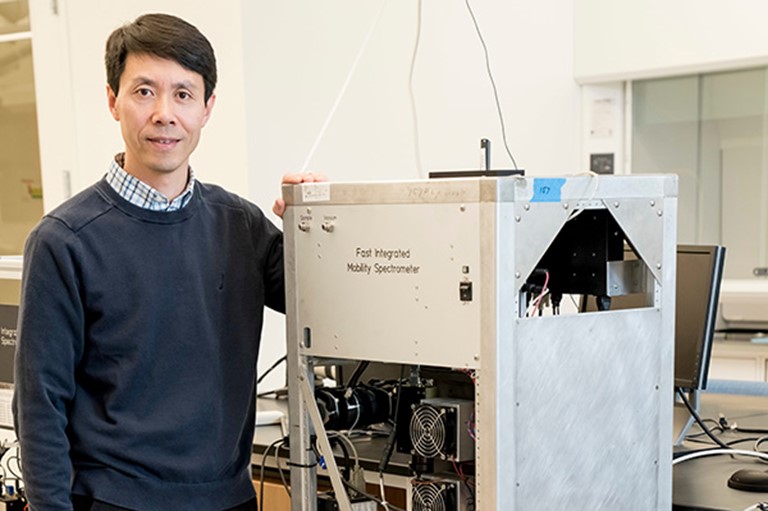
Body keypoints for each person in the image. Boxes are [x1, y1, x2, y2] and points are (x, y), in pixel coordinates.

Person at [13, 13, 318, 511]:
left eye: (183, 94)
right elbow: (38, 406)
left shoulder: (241, 226)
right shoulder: (64, 241)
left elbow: (328, 306)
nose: (164, 113)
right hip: (113, 501)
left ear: (206, 107)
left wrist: (318, 226)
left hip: (228, 499)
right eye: (144, 91)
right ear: (113, 100)